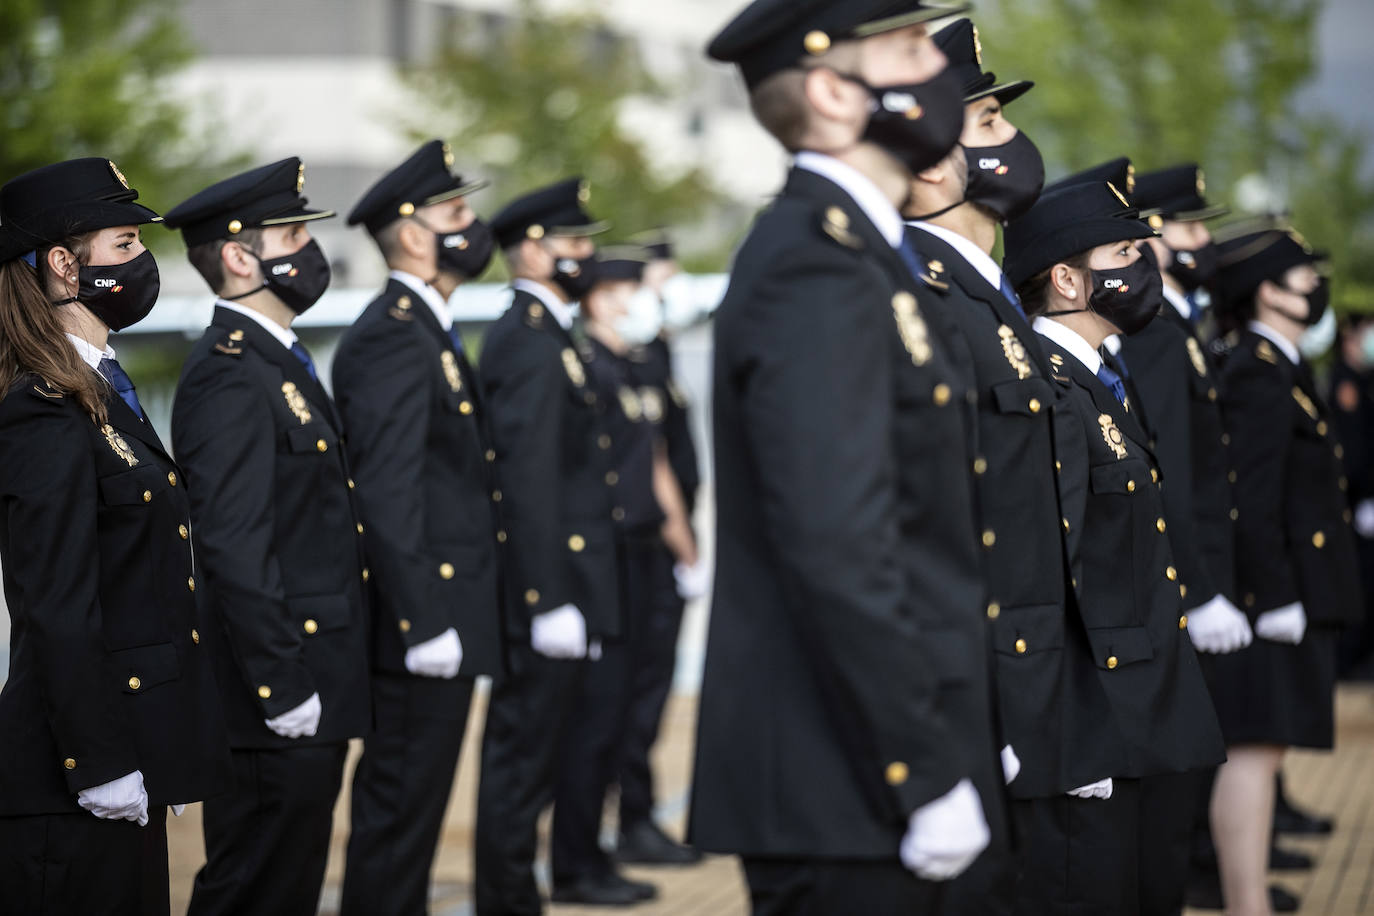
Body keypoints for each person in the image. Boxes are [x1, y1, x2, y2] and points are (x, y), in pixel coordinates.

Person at [696, 1, 1006, 912]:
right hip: (853, 784)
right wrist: (920, 772)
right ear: (833, 92)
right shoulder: (814, 264)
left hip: (878, 763)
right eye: (912, 51)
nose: (940, 72)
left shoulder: (862, 252)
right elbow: (841, 543)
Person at [901, 19, 1136, 914]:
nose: (1015, 144)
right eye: (990, 121)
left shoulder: (981, 294)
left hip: (1036, 681)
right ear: (931, 157)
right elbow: (942, 517)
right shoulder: (925, 295)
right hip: (990, 686)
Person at [0, 157, 232, 916]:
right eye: (125, 244)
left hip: (129, 752)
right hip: (76, 779)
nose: (143, 263)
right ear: (64, 265)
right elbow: (57, 604)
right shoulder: (40, 408)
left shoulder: (96, 391)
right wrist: (98, 764)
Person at [1003, 179, 1227, 914]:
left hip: (1144, 703)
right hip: (1097, 717)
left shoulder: (1099, 379)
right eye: (1124, 251)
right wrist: (1065, 733)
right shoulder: (1052, 387)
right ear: (1067, 279)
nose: (1144, 266)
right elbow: (1046, 570)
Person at [164, 159, 373, 916]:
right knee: (252, 881)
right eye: (291, 234)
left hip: (313, 670)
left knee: (288, 878)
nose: (309, 252)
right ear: (239, 257)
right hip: (277, 687)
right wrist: (280, 684)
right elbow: (233, 544)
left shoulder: (275, 360)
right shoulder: (228, 373)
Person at [332, 139, 507, 915]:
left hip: (448, 610)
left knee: (419, 806)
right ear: (412, 234)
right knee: (399, 809)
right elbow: (389, 491)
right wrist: (423, 619)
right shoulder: (393, 334)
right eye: (457, 214)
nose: (474, 227)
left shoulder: (425, 326)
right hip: (422, 622)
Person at [474, 179, 648, 912]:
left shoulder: (551, 333)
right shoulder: (526, 339)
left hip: (580, 579)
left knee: (552, 751)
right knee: (521, 762)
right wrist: (547, 596)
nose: (588, 256)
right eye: (575, 244)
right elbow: (528, 476)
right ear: (534, 251)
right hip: (550, 587)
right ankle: (508, 900)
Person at [1204, 221, 1363, 916]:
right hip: (1271, 594)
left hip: (1293, 586)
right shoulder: (1256, 372)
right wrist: (1270, 594)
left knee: (1263, 751)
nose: (1315, 288)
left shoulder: (1280, 364)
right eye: (1303, 277)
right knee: (1253, 752)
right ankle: (1247, 903)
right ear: (1267, 292)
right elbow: (1251, 497)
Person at [612, 232, 707, 866]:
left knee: (650, 688)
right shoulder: (633, 360)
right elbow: (654, 462)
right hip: (650, 545)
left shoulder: (659, 352)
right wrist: (687, 548)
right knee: (637, 692)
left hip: (665, 543)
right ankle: (633, 820)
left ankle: (638, 817)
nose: (663, 293)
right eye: (656, 281)